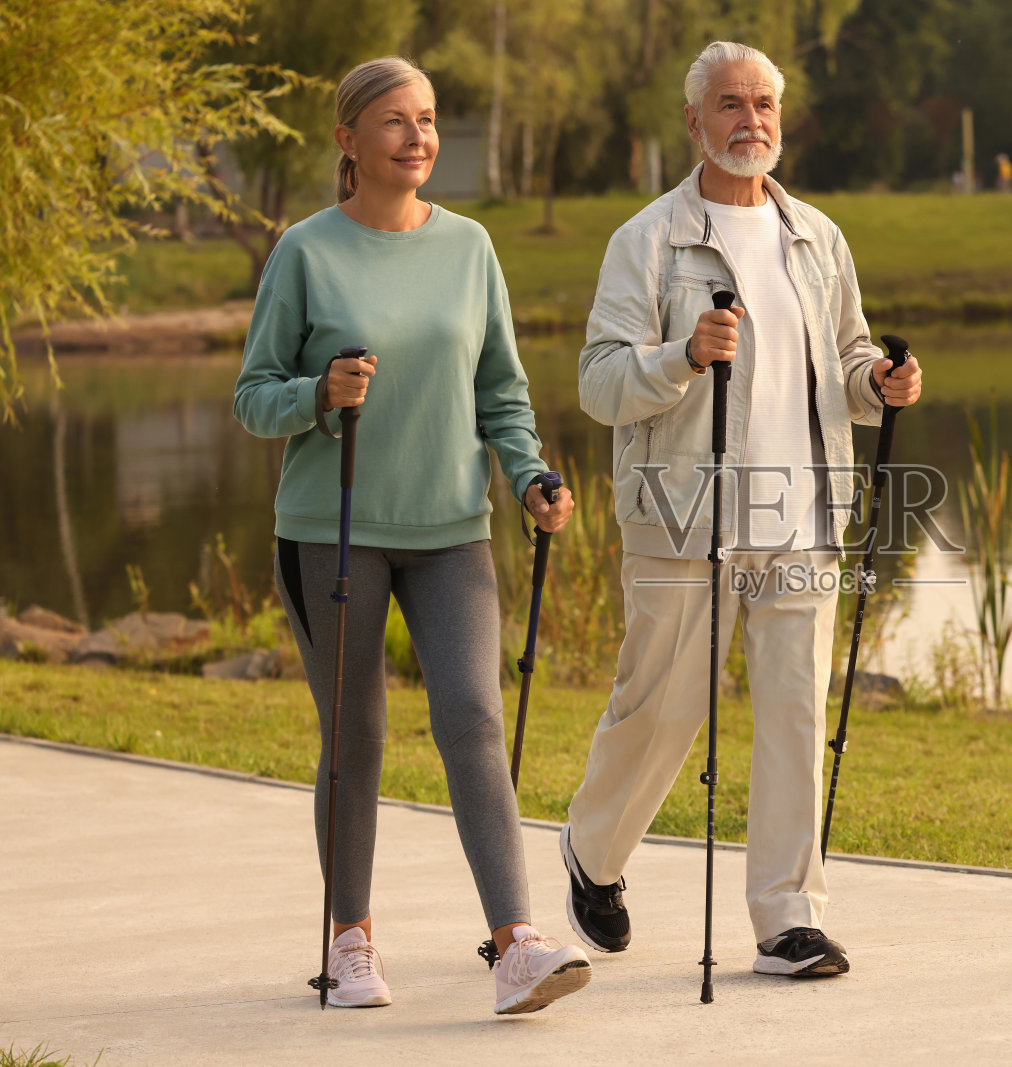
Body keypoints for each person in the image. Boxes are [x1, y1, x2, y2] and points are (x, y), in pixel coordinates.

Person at [233, 56, 590, 1016]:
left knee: (472, 715)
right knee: (355, 737)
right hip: (332, 528)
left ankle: (516, 942)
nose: (419, 137)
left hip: (451, 530)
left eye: (428, 120)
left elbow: (502, 394)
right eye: (396, 122)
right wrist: (317, 395)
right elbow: (252, 397)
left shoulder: (471, 248)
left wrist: (530, 476)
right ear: (349, 141)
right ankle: (349, 940)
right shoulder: (305, 252)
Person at [561, 41, 923, 977]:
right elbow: (600, 383)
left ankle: (788, 916)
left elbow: (845, 363)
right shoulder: (646, 240)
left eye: (763, 103)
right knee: (664, 710)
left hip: (803, 517)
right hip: (684, 519)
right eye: (730, 104)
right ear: (695, 122)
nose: (749, 120)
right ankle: (593, 856)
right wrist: (681, 356)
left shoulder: (818, 239)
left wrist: (879, 381)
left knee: (796, 717)